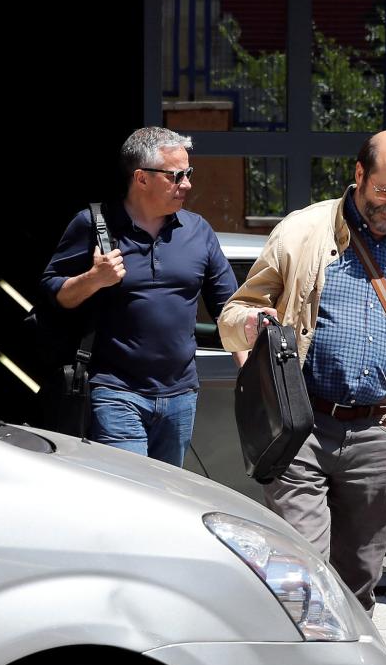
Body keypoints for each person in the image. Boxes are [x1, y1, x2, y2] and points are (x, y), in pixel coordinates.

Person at [217, 130, 386, 610]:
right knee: (304, 570)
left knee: (360, 577)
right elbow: (233, 315)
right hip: (303, 428)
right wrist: (257, 324)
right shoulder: (302, 233)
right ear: (359, 175)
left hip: (375, 432)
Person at [40, 126, 240, 467]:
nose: (187, 184)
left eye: (188, 174)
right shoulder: (93, 225)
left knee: (167, 497)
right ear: (141, 178)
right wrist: (94, 278)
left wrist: (250, 366)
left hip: (180, 396)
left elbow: (230, 308)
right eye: (176, 176)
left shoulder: (197, 230)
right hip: (116, 392)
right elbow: (53, 294)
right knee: (133, 494)